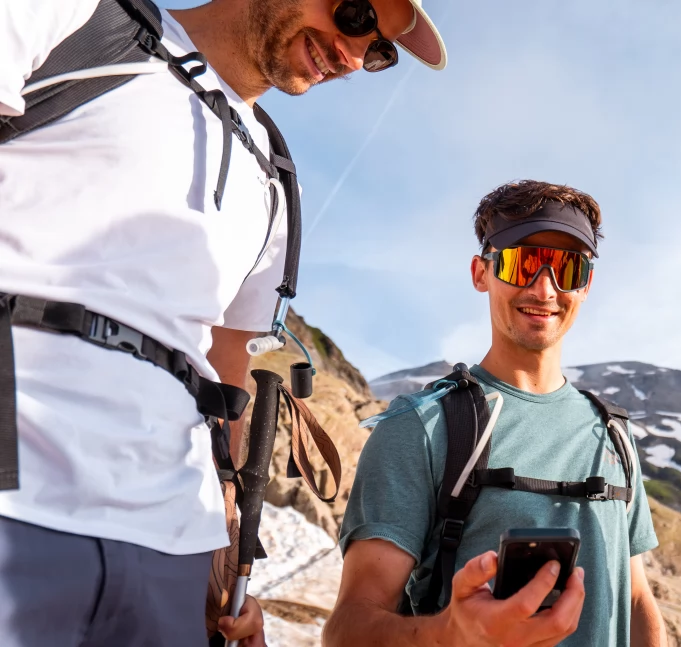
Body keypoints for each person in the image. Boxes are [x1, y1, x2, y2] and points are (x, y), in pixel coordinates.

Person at [0, 0, 446, 645]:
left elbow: (225, 365)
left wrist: (221, 554)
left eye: (378, 53)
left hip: (169, 550)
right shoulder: (78, 20)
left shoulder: (274, 179)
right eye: (355, 15)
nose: (353, 56)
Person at [326, 180, 665, 647]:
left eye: (567, 267)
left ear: (585, 284)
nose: (544, 288)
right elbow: (348, 630)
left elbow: (636, 600)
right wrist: (450, 633)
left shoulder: (613, 435)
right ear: (481, 272)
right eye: (523, 262)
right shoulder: (421, 428)